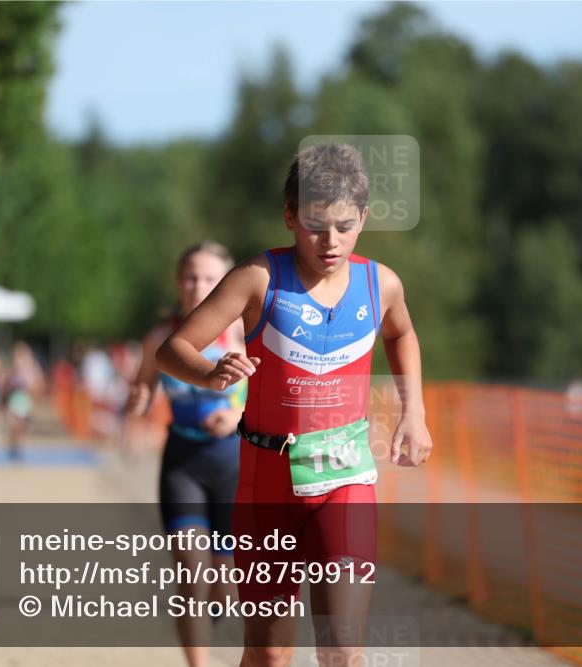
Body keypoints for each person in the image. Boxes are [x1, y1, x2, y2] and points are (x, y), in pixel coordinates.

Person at [155, 143, 433, 667]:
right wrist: (209, 373)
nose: (331, 242)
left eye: (346, 227)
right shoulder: (258, 279)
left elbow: (402, 334)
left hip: (345, 478)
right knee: (269, 653)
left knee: (342, 648)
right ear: (289, 217)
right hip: (267, 483)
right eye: (315, 225)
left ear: (364, 219)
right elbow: (172, 350)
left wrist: (413, 413)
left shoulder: (381, 284)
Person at [128, 242, 246, 667]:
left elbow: (276, 395)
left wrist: (238, 416)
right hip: (182, 463)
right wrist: (138, 399)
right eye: (191, 276)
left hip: (235, 464)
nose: (199, 285)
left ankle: (211, 610)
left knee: (226, 587)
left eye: (210, 278)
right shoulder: (160, 339)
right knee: (192, 578)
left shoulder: (244, 333)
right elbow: (143, 384)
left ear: (227, 283)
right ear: (179, 282)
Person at [3, 341, 45, 460]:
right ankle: (14, 447)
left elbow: (39, 383)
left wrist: (35, 393)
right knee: (14, 425)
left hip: (25, 399)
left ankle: (18, 448)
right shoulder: (13, 367)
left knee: (20, 426)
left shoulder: (32, 367)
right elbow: (6, 382)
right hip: (14, 398)